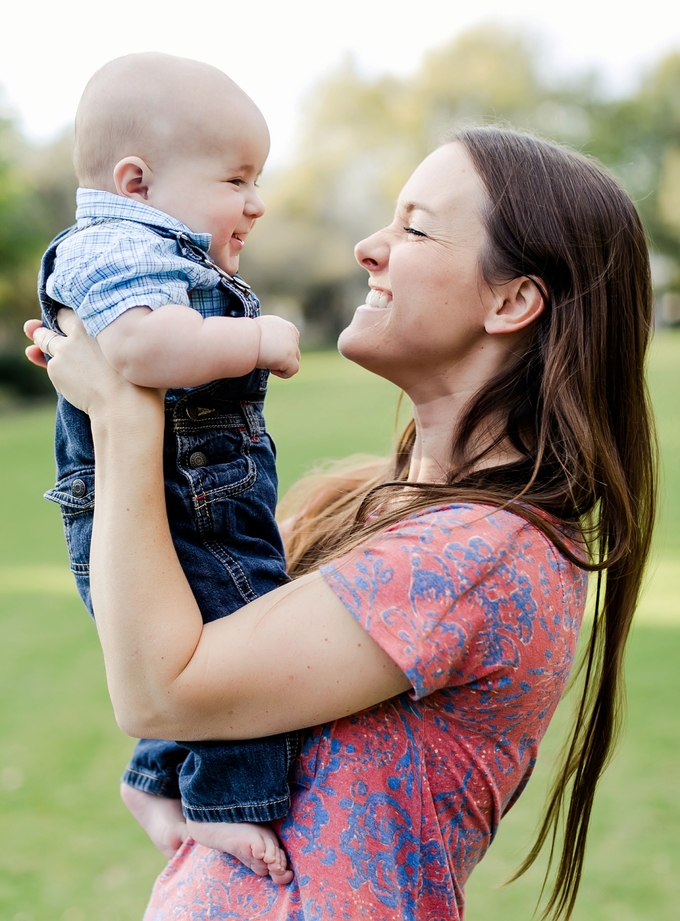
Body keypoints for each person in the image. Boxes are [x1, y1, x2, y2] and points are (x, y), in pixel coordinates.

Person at [25, 127, 657, 921]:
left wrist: (120, 414)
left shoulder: (482, 554)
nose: (369, 247)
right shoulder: (356, 500)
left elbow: (163, 692)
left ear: (512, 301)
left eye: (415, 227)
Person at [38, 53, 301, 882]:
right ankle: (226, 809)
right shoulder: (121, 244)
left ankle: (154, 780)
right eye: (236, 178)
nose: (255, 202)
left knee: (191, 636)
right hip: (176, 501)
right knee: (250, 643)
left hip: (171, 495)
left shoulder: (142, 244)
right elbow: (146, 349)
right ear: (137, 180)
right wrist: (256, 338)